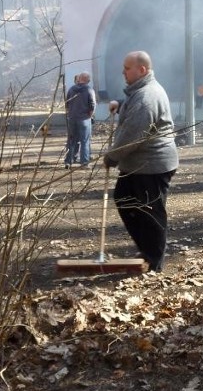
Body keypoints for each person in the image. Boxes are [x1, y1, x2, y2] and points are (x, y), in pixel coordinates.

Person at [104, 51, 179, 272]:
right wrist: (120, 105)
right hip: (139, 164)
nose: (123, 73)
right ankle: (146, 250)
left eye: (127, 68)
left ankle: (154, 261)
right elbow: (134, 115)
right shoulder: (141, 92)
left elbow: (133, 134)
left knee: (150, 211)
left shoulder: (147, 96)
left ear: (142, 70)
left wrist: (112, 156)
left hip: (152, 164)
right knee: (124, 198)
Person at [64, 72, 96, 169]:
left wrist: (71, 113)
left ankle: (68, 162)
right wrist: (89, 115)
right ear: (87, 80)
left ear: (79, 79)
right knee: (85, 141)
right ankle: (84, 163)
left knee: (71, 140)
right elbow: (92, 104)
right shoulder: (89, 90)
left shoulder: (71, 89)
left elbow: (67, 104)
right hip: (84, 119)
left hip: (72, 119)